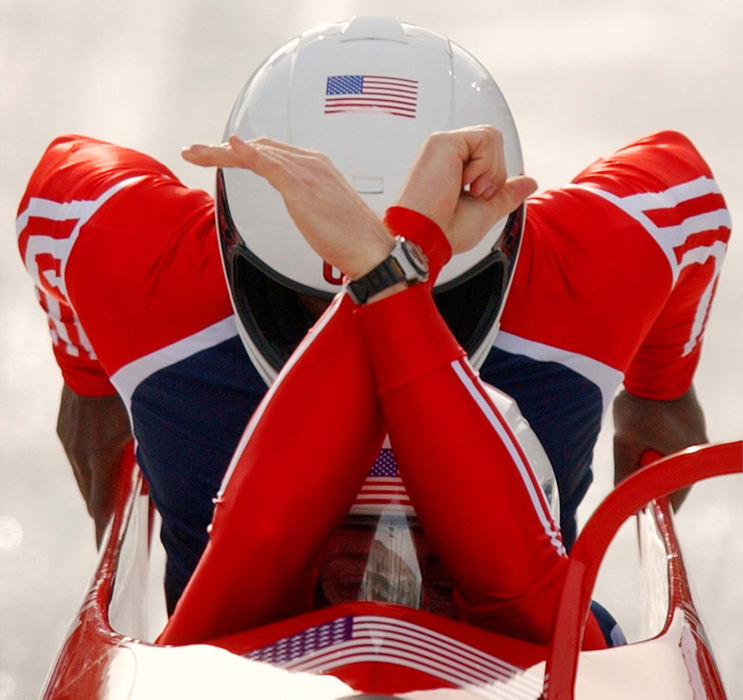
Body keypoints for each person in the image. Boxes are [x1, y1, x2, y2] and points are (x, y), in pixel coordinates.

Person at [17, 17, 729, 620]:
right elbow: (682, 192)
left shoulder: (118, 250)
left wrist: (90, 383)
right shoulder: (604, 261)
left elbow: (59, 196)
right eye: (308, 301)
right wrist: (658, 391)